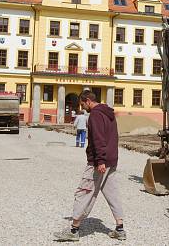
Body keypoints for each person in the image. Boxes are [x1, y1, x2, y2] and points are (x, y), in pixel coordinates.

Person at [54, 90, 125, 242]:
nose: (82, 107)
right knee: (112, 194)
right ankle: (120, 228)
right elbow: (113, 137)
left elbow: (98, 139)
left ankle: (73, 230)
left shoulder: (95, 115)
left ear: (87, 101)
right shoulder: (108, 113)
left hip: (99, 163)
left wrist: (100, 160)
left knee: (84, 192)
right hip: (111, 160)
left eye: (82, 104)